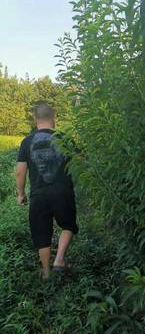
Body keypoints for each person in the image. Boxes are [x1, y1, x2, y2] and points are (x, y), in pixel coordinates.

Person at [16, 102, 78, 279]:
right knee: (67, 225)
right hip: (63, 191)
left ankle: (45, 272)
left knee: (41, 231)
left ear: (36, 119)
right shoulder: (65, 138)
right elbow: (80, 162)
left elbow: (20, 171)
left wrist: (21, 194)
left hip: (38, 194)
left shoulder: (27, 141)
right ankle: (59, 259)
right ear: (54, 117)